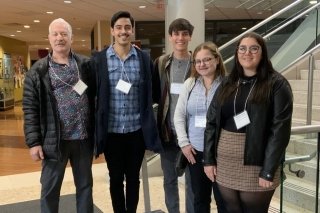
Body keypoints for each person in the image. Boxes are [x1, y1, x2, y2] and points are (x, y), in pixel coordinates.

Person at [203, 32, 293, 213]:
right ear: (237, 53)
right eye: (242, 48)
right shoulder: (228, 83)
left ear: (263, 53)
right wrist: (208, 159)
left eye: (254, 48)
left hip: (257, 160)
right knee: (231, 208)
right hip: (226, 161)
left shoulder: (277, 84)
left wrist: (268, 169)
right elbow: (211, 122)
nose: (247, 53)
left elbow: (280, 130)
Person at [92, 11, 162, 213]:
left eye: (127, 27)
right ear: (112, 31)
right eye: (119, 28)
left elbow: (154, 92)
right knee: (115, 179)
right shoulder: (99, 60)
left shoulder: (144, 58)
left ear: (132, 30)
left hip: (136, 131)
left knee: (133, 178)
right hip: (111, 132)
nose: (124, 31)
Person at [22, 18, 96, 213]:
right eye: (55, 34)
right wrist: (34, 143)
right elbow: (30, 109)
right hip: (54, 142)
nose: (59, 38)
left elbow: (96, 97)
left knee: (85, 188)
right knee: (50, 190)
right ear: (49, 38)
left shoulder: (85, 65)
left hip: (82, 139)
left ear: (71, 38)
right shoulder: (37, 71)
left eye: (64, 34)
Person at [174, 42, 226, 213]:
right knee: (200, 200)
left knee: (223, 201)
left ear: (217, 60)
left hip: (221, 153)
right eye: (198, 61)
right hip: (194, 152)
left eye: (206, 60)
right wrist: (184, 144)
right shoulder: (190, 83)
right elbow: (179, 115)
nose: (202, 64)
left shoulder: (228, 84)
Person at [152, 18, 195, 213]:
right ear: (170, 37)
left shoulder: (198, 62)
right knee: (169, 180)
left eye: (184, 33)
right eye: (176, 34)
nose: (180, 38)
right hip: (168, 132)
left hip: (193, 134)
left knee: (192, 182)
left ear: (190, 36)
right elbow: (154, 95)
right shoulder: (161, 63)